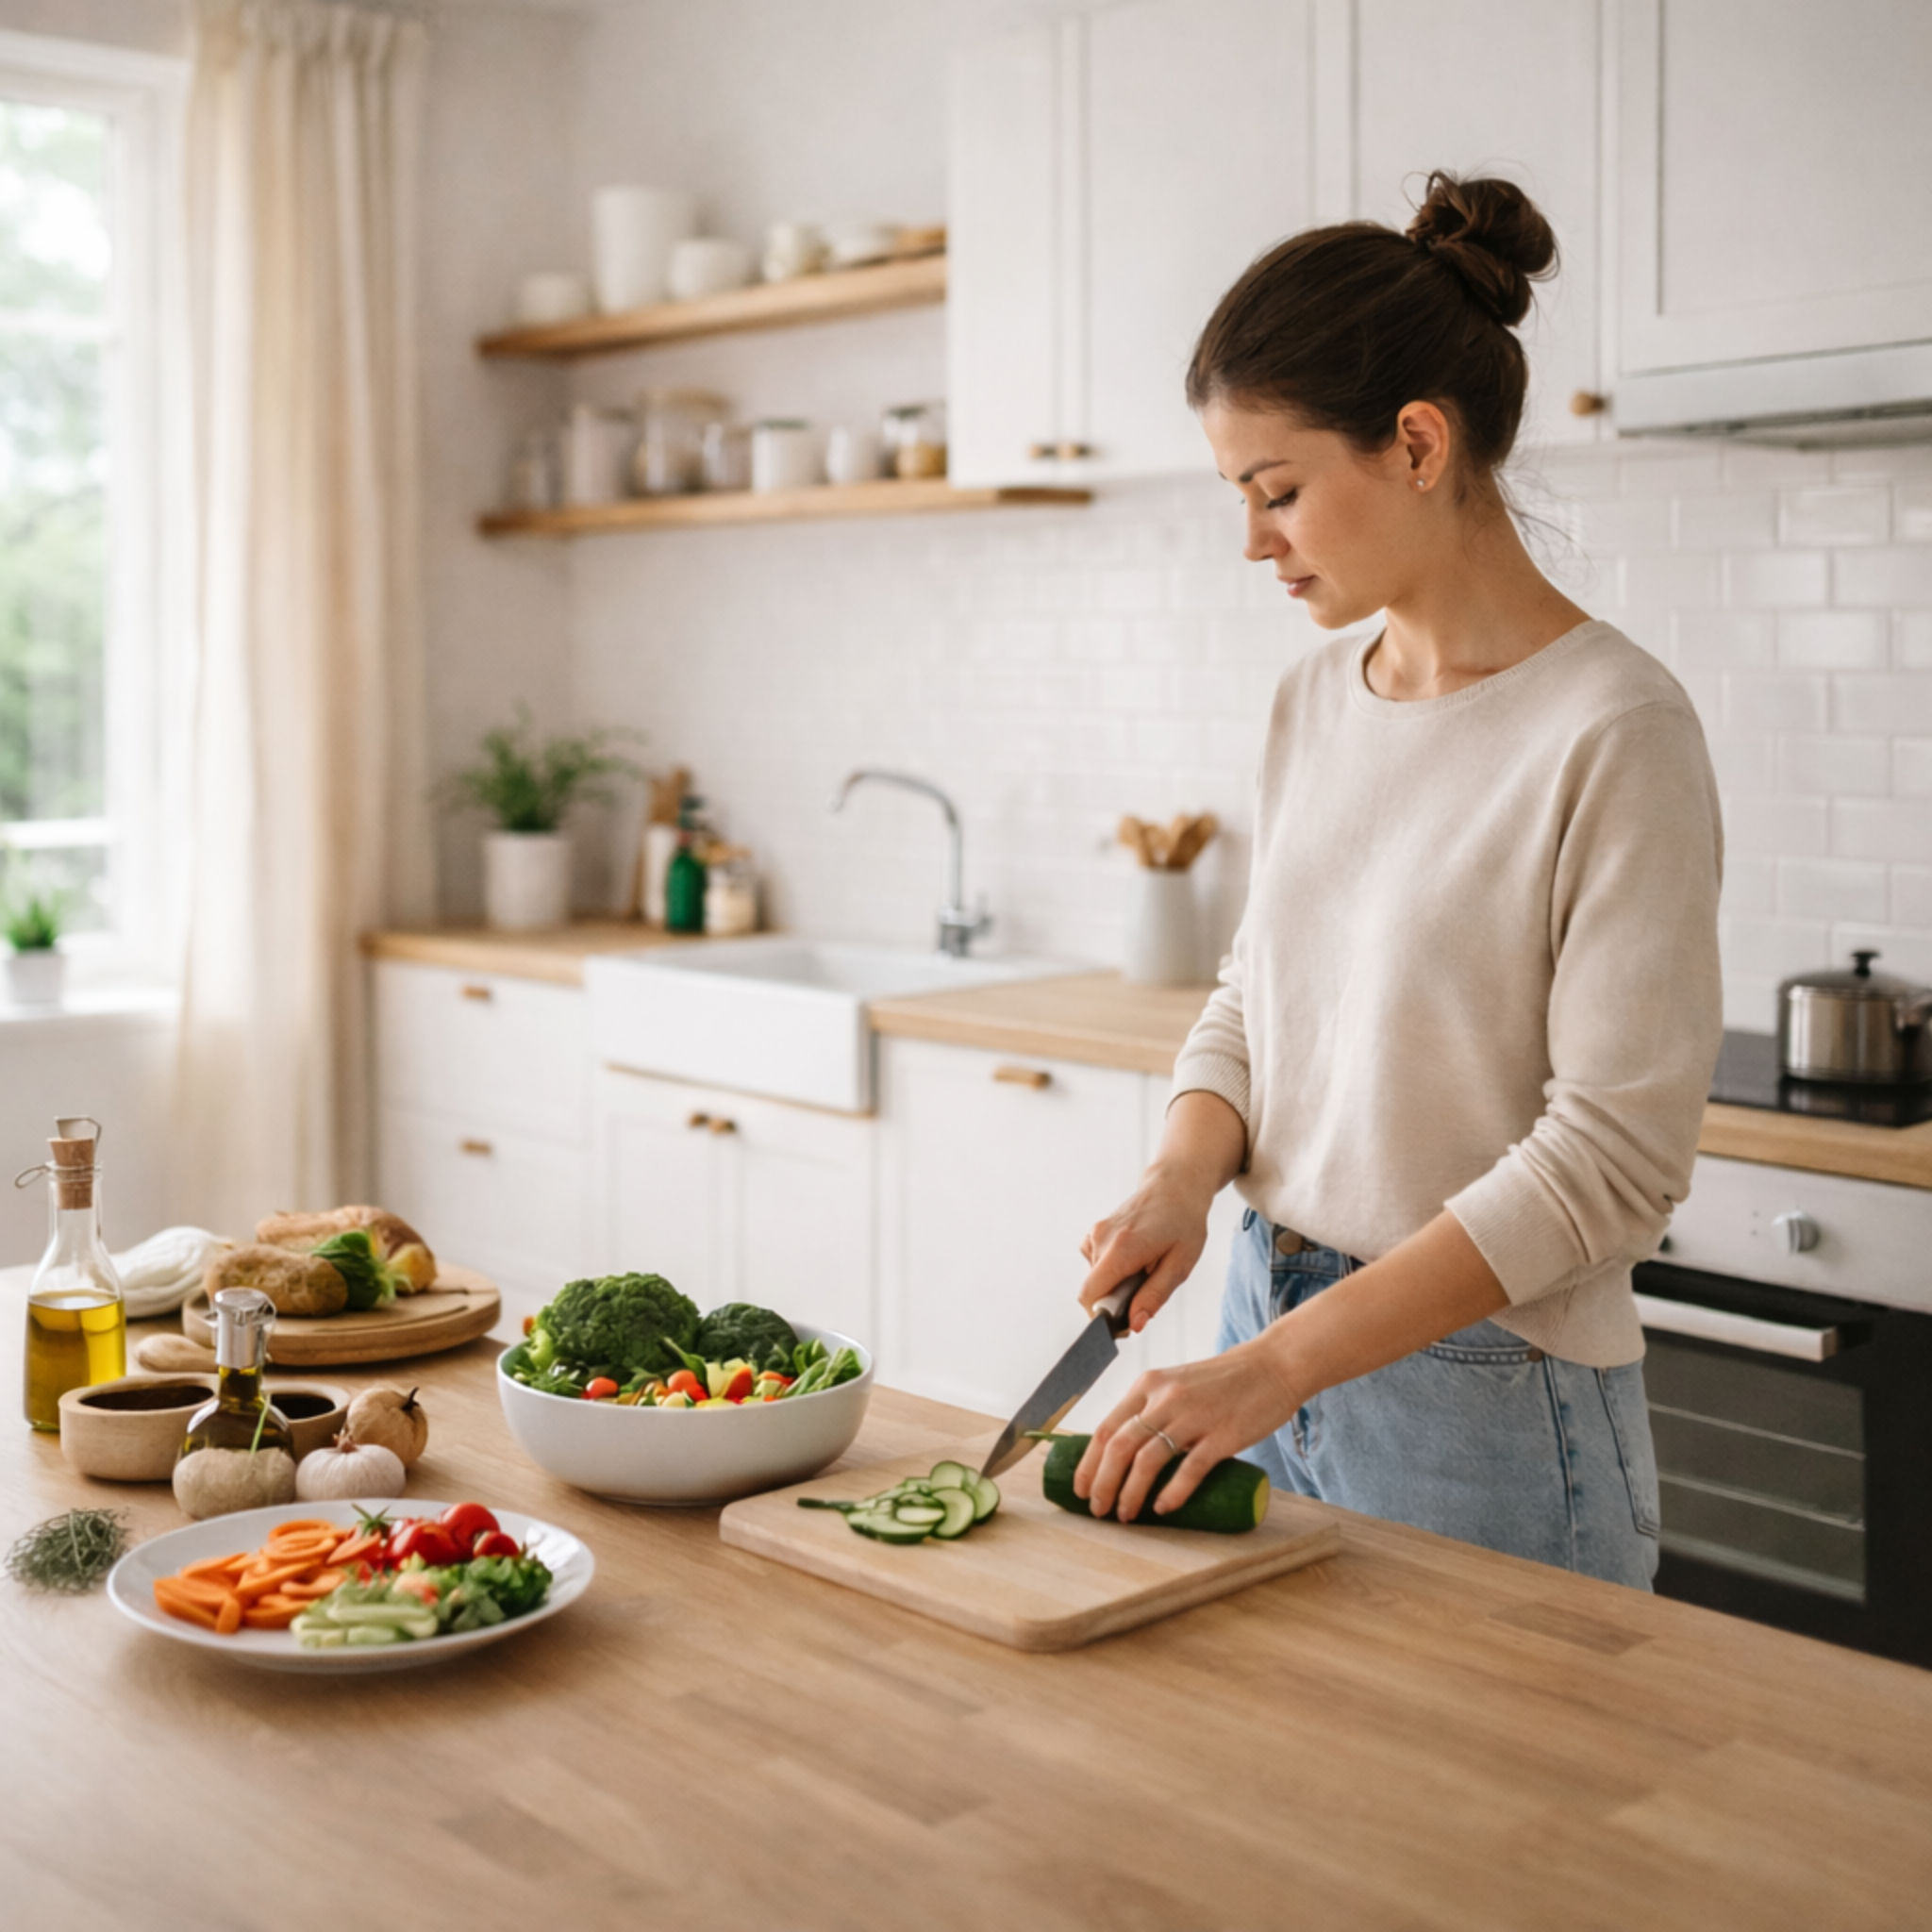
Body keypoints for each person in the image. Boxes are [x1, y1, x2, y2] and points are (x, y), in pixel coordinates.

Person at [1071, 174, 1724, 1589]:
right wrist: (1184, 1178)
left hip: (1486, 1395)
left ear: (1417, 443)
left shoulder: (1615, 729)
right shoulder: (1313, 700)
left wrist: (1278, 1366)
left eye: (1280, 492)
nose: (1255, 540)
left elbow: (1614, 1166)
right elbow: (1257, 995)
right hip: (1263, 1323)